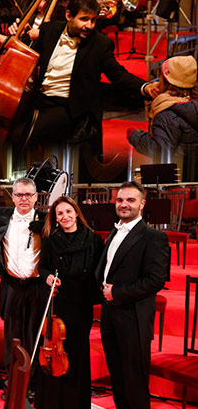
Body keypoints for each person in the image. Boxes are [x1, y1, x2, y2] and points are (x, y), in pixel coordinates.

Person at [22, 0, 155, 150]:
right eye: (84, 19)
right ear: (69, 15)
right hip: (40, 100)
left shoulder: (100, 44)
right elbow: (29, 54)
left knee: (29, 135)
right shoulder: (49, 30)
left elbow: (118, 75)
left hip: (70, 107)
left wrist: (145, 87)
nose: (89, 26)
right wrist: (7, 37)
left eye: (93, 20)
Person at [97, 181, 170, 409]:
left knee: (134, 382)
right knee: (117, 379)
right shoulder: (113, 231)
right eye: (120, 200)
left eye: (130, 200)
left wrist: (117, 292)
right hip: (110, 316)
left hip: (134, 318)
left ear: (142, 203)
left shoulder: (153, 237)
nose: (124, 204)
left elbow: (156, 279)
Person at [36, 196, 104, 409]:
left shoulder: (93, 239)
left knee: (76, 352)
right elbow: (43, 267)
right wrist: (47, 277)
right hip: (58, 301)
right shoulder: (50, 239)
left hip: (80, 303)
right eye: (59, 214)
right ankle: (52, 402)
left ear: (76, 213)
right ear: (55, 218)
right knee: (53, 352)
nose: (64, 216)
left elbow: (98, 272)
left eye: (68, 212)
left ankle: (76, 402)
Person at [0, 177, 45, 369]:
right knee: (11, 336)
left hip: (35, 286)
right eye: (19, 194)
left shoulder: (46, 220)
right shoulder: (1, 216)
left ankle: (31, 381)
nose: (24, 199)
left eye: (28, 195)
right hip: (12, 284)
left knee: (33, 335)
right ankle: (12, 379)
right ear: (13, 197)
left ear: (36, 197)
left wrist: (46, 230)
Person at [127, 54, 198, 158]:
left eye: (160, 77)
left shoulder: (167, 114)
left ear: (167, 83)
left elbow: (159, 151)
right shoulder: (191, 103)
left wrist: (135, 136)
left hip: (176, 171)